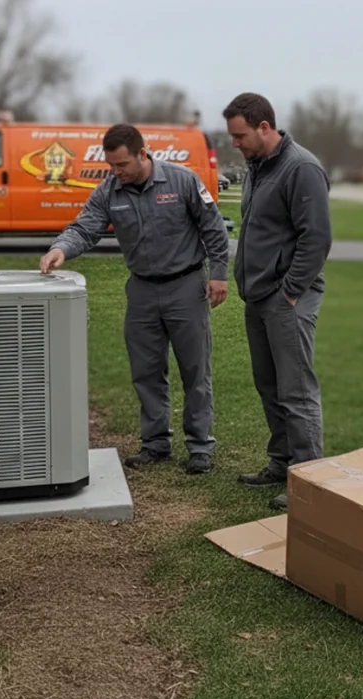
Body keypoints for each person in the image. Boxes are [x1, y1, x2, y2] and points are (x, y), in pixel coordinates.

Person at [39, 123, 230, 475]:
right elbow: (85, 227)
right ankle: (155, 443)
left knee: (195, 370)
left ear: (143, 154)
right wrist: (60, 249)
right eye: (111, 166)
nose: (116, 172)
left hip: (186, 286)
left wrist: (219, 274)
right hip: (142, 289)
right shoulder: (110, 190)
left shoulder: (182, 181)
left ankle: (200, 446)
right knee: (146, 371)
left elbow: (213, 228)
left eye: (122, 165)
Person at [221, 92, 332, 511]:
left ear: (264, 127)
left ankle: (310, 481)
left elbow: (316, 238)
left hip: (287, 298)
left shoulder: (300, 168)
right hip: (260, 296)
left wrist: (289, 290)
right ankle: (281, 462)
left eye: (240, 135)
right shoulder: (257, 167)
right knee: (269, 385)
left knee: (296, 390)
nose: (236, 143)